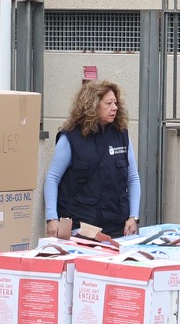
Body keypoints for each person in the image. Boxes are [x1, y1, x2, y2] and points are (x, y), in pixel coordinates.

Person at [45, 79, 139, 237]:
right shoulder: (71, 138)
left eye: (116, 103)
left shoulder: (121, 135)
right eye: (108, 103)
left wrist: (133, 217)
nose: (114, 108)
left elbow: (133, 178)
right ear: (93, 105)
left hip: (116, 227)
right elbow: (52, 178)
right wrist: (51, 218)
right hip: (80, 228)